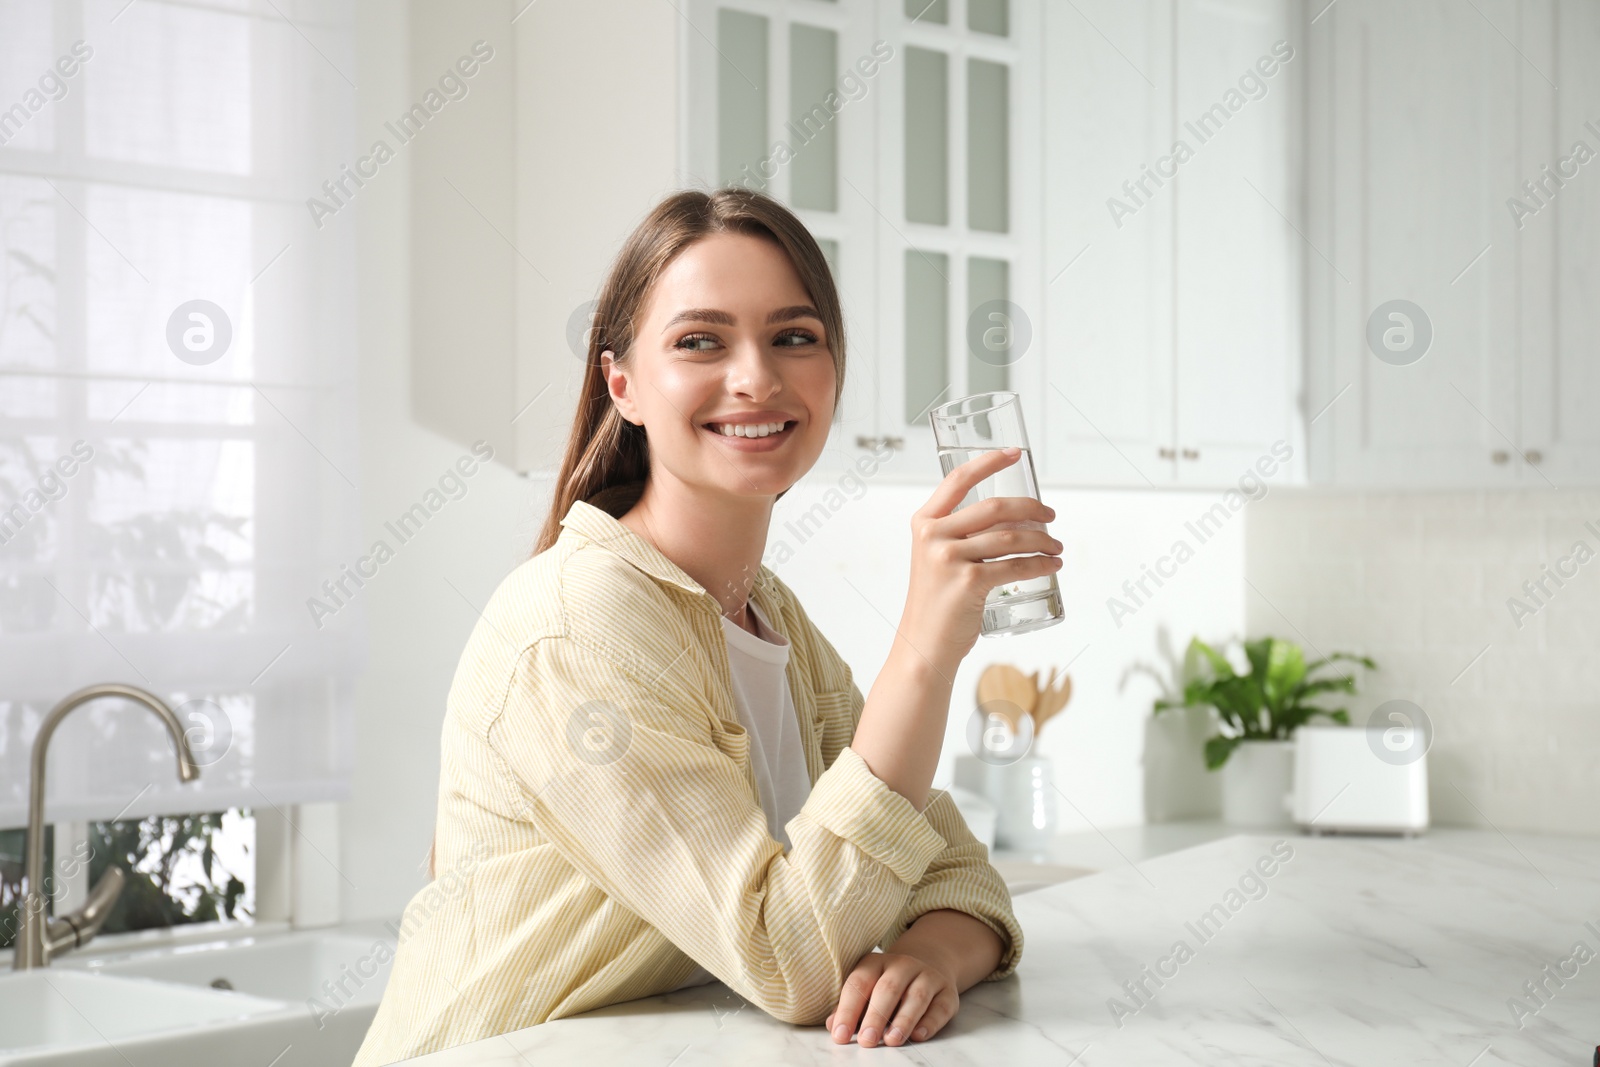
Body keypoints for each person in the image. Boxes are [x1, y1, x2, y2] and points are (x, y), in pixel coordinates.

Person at [354, 187, 1062, 1064]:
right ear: (624, 384)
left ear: (832, 372)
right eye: (700, 341)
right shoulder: (579, 625)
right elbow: (787, 955)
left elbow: (956, 869)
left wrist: (927, 953)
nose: (757, 376)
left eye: (794, 337)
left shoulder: (767, 615)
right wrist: (925, 648)